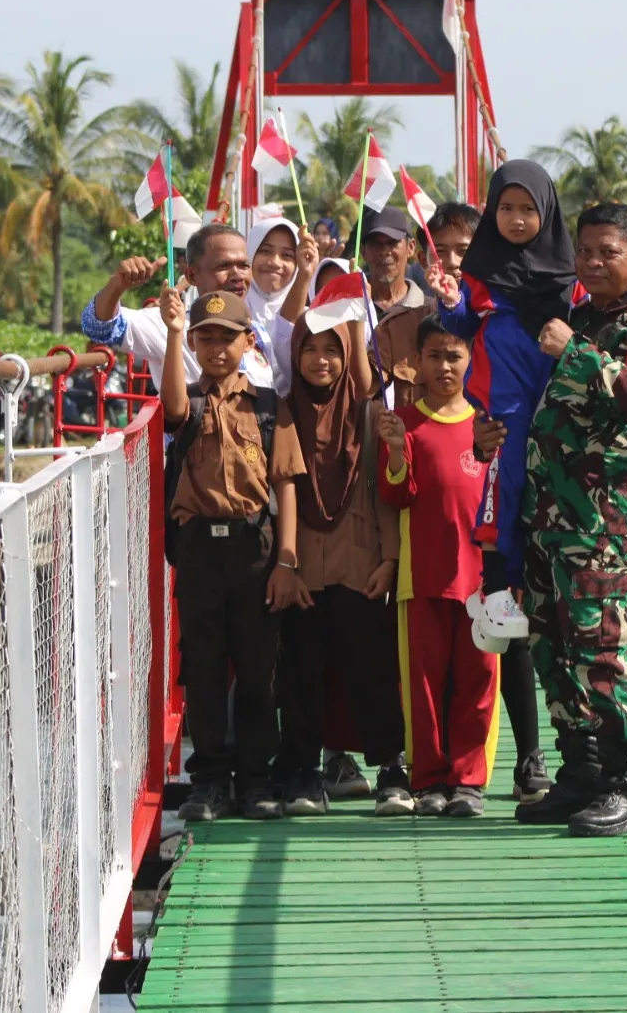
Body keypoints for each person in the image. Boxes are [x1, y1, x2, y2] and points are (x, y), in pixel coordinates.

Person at [511, 203, 627, 836]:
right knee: (551, 644)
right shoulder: (582, 317)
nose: (594, 263)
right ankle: (580, 771)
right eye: (585, 252)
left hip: (597, 519)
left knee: (600, 648)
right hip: (549, 514)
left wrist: (573, 352)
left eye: (609, 252)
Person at [160, 287, 309, 822]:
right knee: (202, 667)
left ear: (249, 341)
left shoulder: (268, 406)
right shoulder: (189, 401)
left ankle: (253, 778)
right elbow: (171, 410)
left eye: (227, 338)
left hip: (254, 548)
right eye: (205, 339)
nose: (216, 349)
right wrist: (174, 333)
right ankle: (209, 781)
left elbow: (285, 483)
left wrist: (287, 560)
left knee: (257, 667)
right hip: (200, 550)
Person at [424, 202, 548, 802]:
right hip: (476, 479)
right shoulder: (454, 305)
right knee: (494, 617)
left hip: (541, 468)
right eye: (442, 249)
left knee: (535, 619)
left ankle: (544, 756)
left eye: (462, 249)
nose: (451, 260)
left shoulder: (560, 286)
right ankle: (448, 768)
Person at [432, 161, 577, 650]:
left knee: (548, 488)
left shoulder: (569, 275)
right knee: (506, 476)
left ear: (547, 212)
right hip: (505, 396)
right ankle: (497, 587)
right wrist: (450, 302)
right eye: (506, 208)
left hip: (553, 395)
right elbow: (462, 326)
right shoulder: (481, 272)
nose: (516, 219)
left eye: (528, 210)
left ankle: (514, 590)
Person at [277, 311, 412, 818]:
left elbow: (383, 492)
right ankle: (303, 770)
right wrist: (286, 564)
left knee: (372, 665)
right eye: (310, 349)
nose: (321, 360)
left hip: (360, 560)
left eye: (332, 350)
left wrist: (390, 558)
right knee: (302, 670)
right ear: (295, 356)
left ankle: (391, 769)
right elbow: (283, 489)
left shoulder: (367, 413)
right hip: (302, 563)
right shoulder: (285, 412)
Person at [377, 317, 500, 818]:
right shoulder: (403, 423)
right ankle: (427, 778)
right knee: (422, 686)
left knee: (478, 680)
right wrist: (393, 449)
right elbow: (395, 494)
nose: (445, 366)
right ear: (416, 363)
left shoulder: (488, 425)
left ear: (470, 359)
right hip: (421, 575)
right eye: (434, 357)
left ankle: (468, 781)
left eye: (454, 356)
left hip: (482, 581)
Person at [81, 223, 277, 388]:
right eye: (223, 266)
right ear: (191, 275)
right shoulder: (169, 323)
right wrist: (117, 286)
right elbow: (98, 326)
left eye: (243, 266)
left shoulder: (258, 333)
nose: (237, 276)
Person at [357, 207, 432, 408]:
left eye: (392, 242)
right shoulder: (349, 311)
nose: (384, 251)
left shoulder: (430, 313)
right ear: (363, 251)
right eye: (376, 244)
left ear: (410, 248)